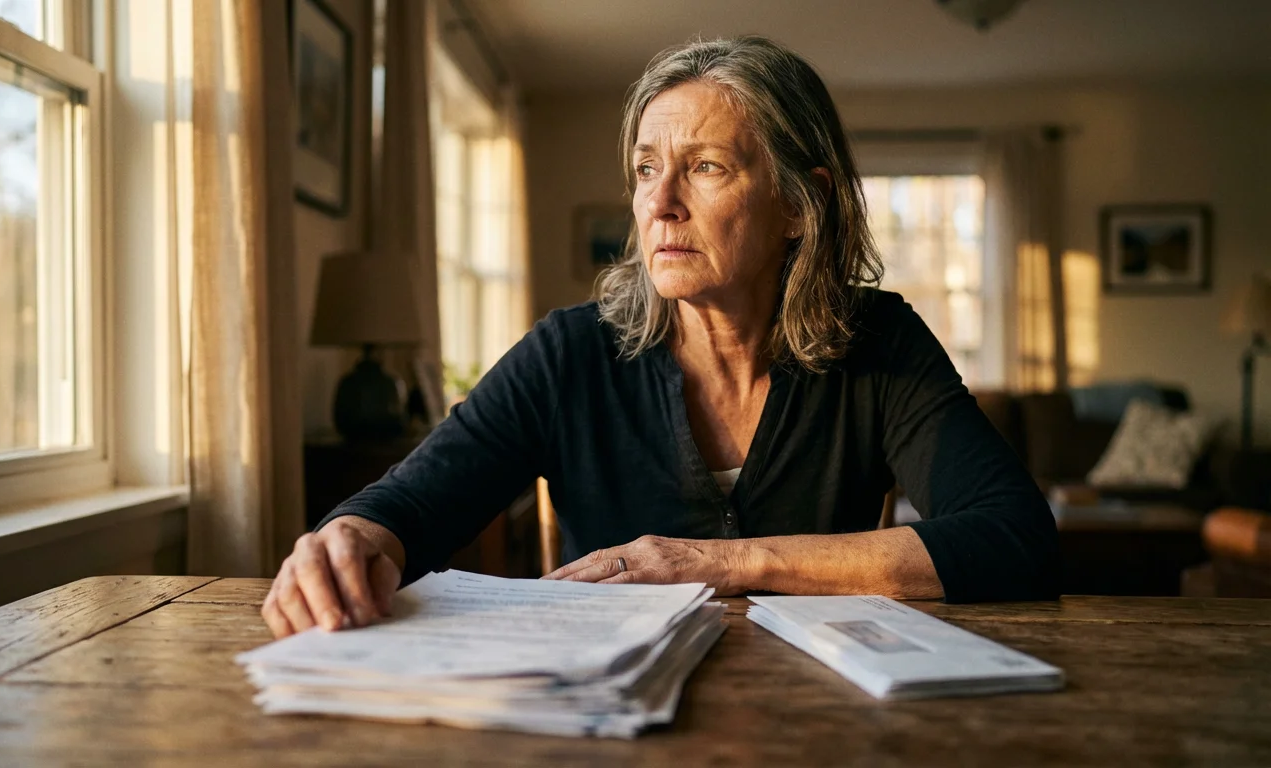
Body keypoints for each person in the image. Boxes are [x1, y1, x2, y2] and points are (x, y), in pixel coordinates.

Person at [262, 36, 1059, 638]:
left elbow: (1014, 539)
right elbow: (408, 505)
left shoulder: (879, 342)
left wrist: (719, 564)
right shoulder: (570, 354)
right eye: (647, 169)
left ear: (798, 206)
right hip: (602, 721)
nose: (659, 203)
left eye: (706, 167)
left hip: (820, 719)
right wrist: (349, 540)